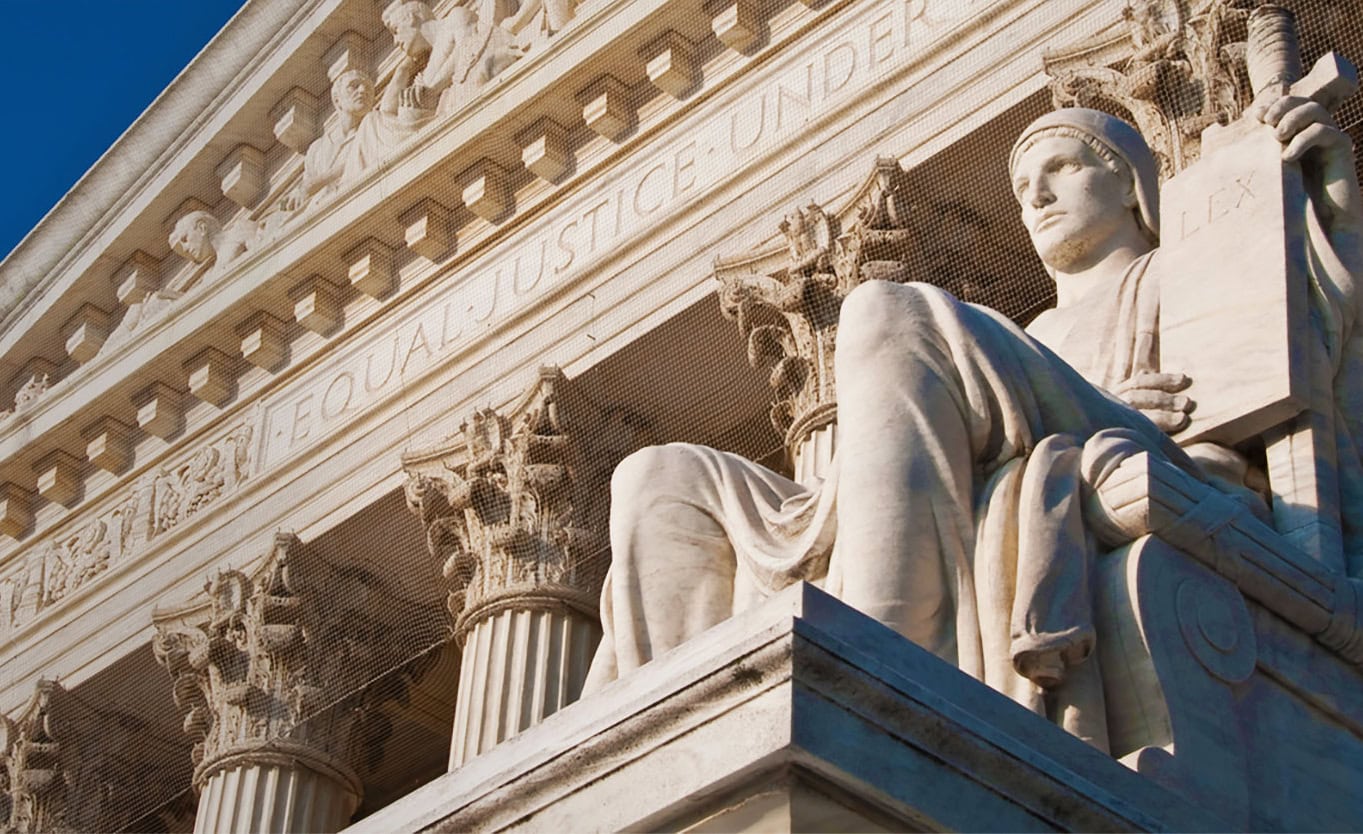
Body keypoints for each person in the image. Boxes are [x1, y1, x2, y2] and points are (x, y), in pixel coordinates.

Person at [582, 96, 1363, 749]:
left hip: (1153, 462)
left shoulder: (1174, 275)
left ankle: (880, 650)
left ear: (1131, 184)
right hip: (1020, 466)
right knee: (659, 477)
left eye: (1062, 167)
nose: (1033, 194)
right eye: (1023, 182)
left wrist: (1324, 205)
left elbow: (1312, 357)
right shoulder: (1035, 338)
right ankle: (660, 745)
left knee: (887, 308)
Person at [381, 1, 521, 121]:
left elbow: (468, 49)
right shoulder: (426, 71)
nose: (395, 42)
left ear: (410, 18)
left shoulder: (455, 17)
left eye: (396, 30)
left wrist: (434, 88)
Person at [282, 69, 378, 211]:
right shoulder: (317, 149)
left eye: (368, 88)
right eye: (354, 85)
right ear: (337, 99)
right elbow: (305, 194)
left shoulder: (373, 130)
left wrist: (313, 185)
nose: (363, 90)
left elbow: (360, 160)